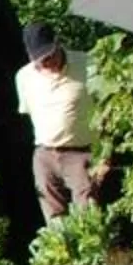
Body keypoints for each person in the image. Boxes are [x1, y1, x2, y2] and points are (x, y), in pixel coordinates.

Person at [14, 23, 99, 219]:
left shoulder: (88, 64)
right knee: (53, 218)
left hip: (80, 152)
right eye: (38, 60)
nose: (45, 63)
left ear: (57, 44)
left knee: (88, 214)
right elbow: (29, 113)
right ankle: (63, 248)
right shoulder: (23, 77)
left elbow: (108, 108)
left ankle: (92, 249)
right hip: (44, 154)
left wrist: (104, 156)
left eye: (48, 56)